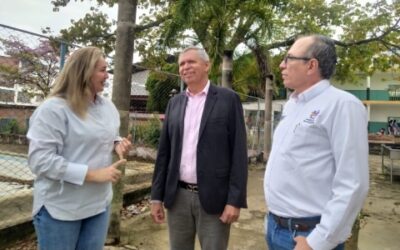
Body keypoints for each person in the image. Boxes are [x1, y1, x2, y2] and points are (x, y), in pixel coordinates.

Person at [264, 35, 369, 250]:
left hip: (307, 235)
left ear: (311, 65)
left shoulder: (342, 105)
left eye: (289, 58)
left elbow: (353, 183)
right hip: (276, 227)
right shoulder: (292, 104)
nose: (281, 65)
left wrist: (318, 242)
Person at [27, 46, 132, 250]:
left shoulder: (107, 107)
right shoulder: (53, 110)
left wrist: (117, 143)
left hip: (98, 205)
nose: (107, 75)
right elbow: (39, 160)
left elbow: (105, 135)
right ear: (84, 72)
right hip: (61, 208)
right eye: (102, 70)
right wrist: (92, 175)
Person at [150, 46, 248, 250]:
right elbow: (164, 154)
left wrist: (235, 200)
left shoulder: (228, 100)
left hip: (215, 198)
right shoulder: (174, 103)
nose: (185, 67)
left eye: (191, 62)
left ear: (207, 65)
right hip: (177, 197)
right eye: (182, 64)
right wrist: (156, 197)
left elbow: (238, 153)